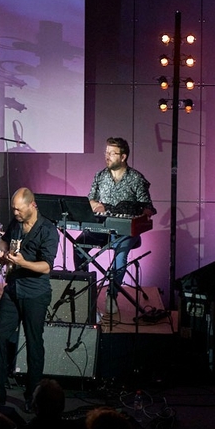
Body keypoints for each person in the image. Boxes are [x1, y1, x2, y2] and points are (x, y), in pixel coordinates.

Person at [0, 187, 59, 412]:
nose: (16, 213)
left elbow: (47, 266)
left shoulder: (48, 230)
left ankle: (33, 396)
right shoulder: (16, 224)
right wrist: (2, 252)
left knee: (33, 343)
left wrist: (22, 263)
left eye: (19, 210)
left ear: (32, 205)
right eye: (14, 210)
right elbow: (4, 241)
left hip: (35, 293)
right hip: (13, 288)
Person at [72, 136, 155, 318]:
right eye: (106, 152)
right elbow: (91, 199)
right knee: (79, 246)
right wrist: (96, 205)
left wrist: (136, 212)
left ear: (123, 157)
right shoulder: (100, 176)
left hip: (126, 230)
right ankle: (84, 288)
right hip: (102, 227)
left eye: (112, 153)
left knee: (121, 255)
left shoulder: (136, 178)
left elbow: (148, 208)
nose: (107, 156)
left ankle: (112, 294)